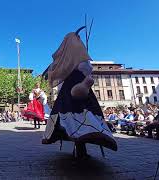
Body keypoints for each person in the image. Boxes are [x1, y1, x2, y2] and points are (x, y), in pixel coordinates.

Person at [41, 30, 117, 159]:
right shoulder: (77, 52)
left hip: (69, 89)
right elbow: (87, 68)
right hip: (78, 85)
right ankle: (81, 149)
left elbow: (53, 71)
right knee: (82, 116)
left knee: (75, 118)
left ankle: (80, 147)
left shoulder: (63, 58)